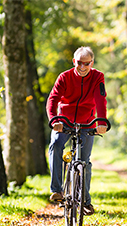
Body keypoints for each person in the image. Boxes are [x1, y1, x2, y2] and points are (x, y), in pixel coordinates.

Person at [46, 46, 108, 215]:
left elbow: (100, 99)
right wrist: (54, 119)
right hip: (63, 121)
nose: (82, 67)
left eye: (86, 64)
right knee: (56, 145)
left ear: (92, 63)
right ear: (74, 61)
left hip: (87, 122)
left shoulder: (97, 77)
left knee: (85, 162)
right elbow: (53, 99)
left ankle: (85, 201)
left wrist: (101, 121)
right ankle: (57, 189)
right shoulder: (64, 77)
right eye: (79, 63)